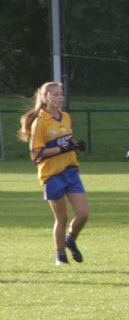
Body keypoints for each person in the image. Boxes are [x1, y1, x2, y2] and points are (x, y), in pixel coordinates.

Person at [18, 82, 89, 266]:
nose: (59, 97)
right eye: (55, 94)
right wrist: (61, 149)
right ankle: (61, 257)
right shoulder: (40, 122)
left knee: (83, 214)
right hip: (52, 176)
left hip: (70, 171)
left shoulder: (65, 117)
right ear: (45, 98)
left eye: (61, 94)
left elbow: (65, 141)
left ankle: (70, 239)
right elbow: (36, 155)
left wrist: (74, 145)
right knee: (62, 218)